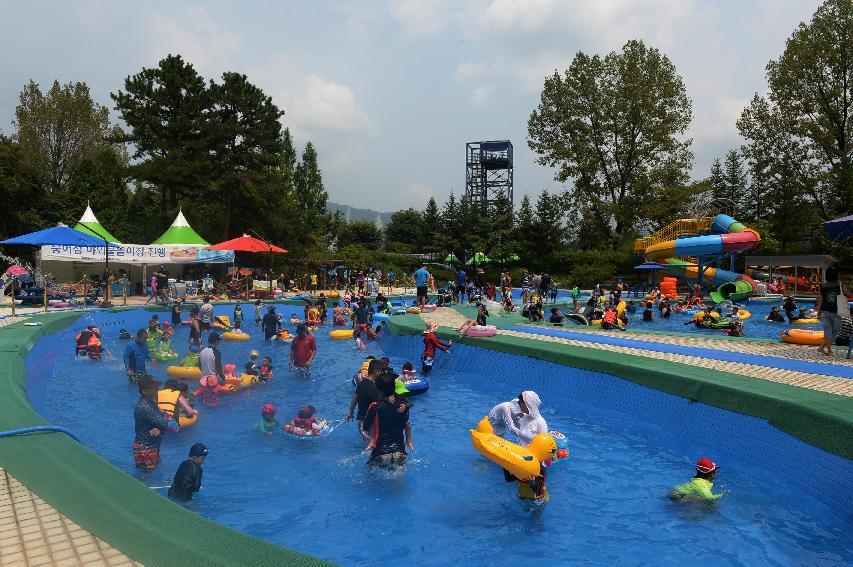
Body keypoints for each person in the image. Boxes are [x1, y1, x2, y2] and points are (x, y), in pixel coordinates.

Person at [364, 369, 414, 468]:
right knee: (399, 480)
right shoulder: (403, 407)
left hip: (381, 452)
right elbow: (407, 424)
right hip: (400, 452)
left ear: (378, 389)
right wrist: (408, 441)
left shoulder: (375, 406)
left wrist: (372, 439)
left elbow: (366, 426)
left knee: (370, 475)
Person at [502, 433, 557, 501]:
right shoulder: (523, 469)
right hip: (523, 496)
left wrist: (532, 483)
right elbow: (509, 479)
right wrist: (505, 466)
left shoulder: (540, 472)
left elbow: (536, 488)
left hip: (538, 500)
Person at [133, 377, 169, 470]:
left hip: (143, 445)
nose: (157, 389)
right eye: (154, 387)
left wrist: (159, 429)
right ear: (145, 390)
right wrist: (165, 413)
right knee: (149, 476)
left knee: (147, 473)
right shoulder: (146, 407)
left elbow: (159, 424)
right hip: (147, 448)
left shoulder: (147, 402)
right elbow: (164, 423)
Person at [815, 265, 851, 356]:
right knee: (834, 332)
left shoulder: (822, 285)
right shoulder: (840, 284)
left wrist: (818, 312)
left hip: (825, 311)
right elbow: (849, 294)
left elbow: (820, 300)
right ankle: (829, 351)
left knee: (829, 331)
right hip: (837, 312)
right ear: (836, 275)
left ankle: (821, 348)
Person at [345, 358, 383, 433]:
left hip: (360, 421)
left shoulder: (360, 384)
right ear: (376, 371)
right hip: (369, 422)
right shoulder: (373, 387)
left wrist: (351, 412)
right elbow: (379, 405)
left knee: (365, 442)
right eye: (380, 371)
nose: (381, 373)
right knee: (372, 442)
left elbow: (354, 399)